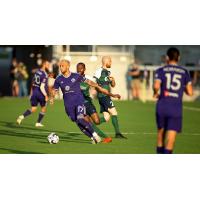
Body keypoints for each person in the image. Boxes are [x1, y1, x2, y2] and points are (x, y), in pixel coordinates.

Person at [50, 59, 121, 144]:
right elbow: (55, 90)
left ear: (68, 66)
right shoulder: (58, 79)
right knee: (79, 123)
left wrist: (105, 91)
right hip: (68, 106)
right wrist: (52, 97)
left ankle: (95, 134)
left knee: (83, 119)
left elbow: (90, 82)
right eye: (60, 66)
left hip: (80, 102)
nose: (61, 68)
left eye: (63, 66)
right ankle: (93, 137)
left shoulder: (76, 76)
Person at [153, 47, 193, 154]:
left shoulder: (161, 70)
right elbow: (190, 92)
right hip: (175, 108)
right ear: (179, 58)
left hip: (162, 105)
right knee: (171, 139)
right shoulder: (184, 72)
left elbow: (156, 86)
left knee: (160, 135)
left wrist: (155, 93)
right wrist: (182, 87)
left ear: (167, 58)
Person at [76, 62, 112, 143]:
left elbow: (97, 86)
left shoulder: (89, 78)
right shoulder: (74, 78)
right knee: (88, 123)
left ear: (84, 69)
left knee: (97, 121)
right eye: (77, 68)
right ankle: (105, 137)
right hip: (79, 105)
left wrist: (107, 94)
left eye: (81, 68)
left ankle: (105, 118)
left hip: (88, 102)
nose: (79, 70)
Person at [94, 56, 127, 139]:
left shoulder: (107, 72)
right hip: (104, 96)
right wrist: (98, 89)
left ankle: (91, 125)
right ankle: (118, 134)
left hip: (105, 96)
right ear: (106, 62)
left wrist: (113, 80)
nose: (111, 63)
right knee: (114, 112)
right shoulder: (99, 71)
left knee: (106, 118)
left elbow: (113, 85)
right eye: (110, 61)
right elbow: (94, 82)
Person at [16, 60, 50, 127]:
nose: (49, 66)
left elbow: (33, 82)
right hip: (41, 94)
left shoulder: (37, 72)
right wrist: (46, 95)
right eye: (47, 64)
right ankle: (38, 122)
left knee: (33, 108)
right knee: (43, 108)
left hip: (35, 92)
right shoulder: (44, 74)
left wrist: (31, 92)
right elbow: (42, 87)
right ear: (44, 64)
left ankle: (22, 117)